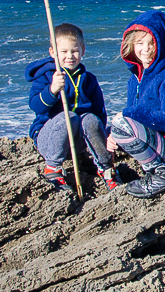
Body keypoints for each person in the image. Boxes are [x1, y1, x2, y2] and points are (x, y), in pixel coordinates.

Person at [106, 10, 165, 198]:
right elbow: (135, 117)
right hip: (159, 146)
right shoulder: (135, 79)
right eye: (140, 43)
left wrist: (127, 116)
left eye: (152, 43)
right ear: (131, 44)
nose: (145, 49)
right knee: (116, 127)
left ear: (162, 44)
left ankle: (163, 175)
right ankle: (158, 173)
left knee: (122, 121)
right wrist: (114, 135)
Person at [26, 23, 119, 193]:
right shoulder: (46, 76)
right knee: (68, 116)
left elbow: (100, 114)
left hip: (78, 144)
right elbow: (36, 107)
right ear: (53, 52)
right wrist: (52, 90)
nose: (70, 56)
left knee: (90, 119)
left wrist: (104, 137)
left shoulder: (89, 80)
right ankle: (53, 169)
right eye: (63, 52)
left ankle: (106, 168)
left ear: (83, 51)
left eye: (74, 51)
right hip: (49, 140)